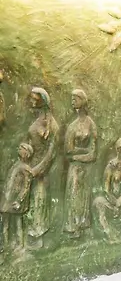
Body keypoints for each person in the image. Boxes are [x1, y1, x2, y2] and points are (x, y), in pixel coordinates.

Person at [25, 87, 59, 249]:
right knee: (31, 201)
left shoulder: (52, 125)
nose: (31, 101)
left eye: (35, 99)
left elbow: (51, 154)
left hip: (41, 171)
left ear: (43, 101)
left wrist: (38, 169)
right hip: (30, 166)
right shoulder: (36, 120)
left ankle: (38, 235)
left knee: (39, 200)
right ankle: (30, 233)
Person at [64, 89, 98, 237]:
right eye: (72, 99)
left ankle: (83, 226)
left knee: (84, 196)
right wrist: (83, 152)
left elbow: (93, 154)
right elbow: (68, 151)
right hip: (75, 168)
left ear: (83, 101)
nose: (73, 101)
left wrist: (78, 155)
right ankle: (73, 227)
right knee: (74, 195)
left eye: (76, 99)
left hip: (86, 168)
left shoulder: (91, 124)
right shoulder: (72, 126)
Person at [93, 136, 121, 243]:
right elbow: (106, 189)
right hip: (109, 202)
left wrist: (119, 202)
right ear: (119, 147)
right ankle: (109, 235)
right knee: (98, 203)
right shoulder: (111, 166)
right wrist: (114, 202)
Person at [0, 143, 34, 251]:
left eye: (22, 149)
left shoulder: (26, 168)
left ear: (27, 153)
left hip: (15, 200)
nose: (19, 149)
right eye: (19, 148)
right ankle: (5, 244)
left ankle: (20, 245)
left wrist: (19, 200)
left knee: (18, 222)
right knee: (5, 222)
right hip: (7, 198)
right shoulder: (15, 165)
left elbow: (26, 186)